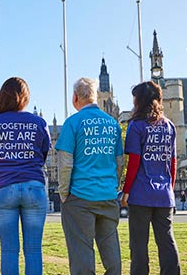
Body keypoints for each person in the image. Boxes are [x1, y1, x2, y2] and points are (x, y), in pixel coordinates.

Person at [0, 77, 51, 275]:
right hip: (34, 187)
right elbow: (43, 155)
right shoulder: (39, 122)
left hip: (3, 188)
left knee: (9, 250)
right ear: (26, 97)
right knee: (34, 250)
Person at [56, 77, 124, 275]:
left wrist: (63, 193)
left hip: (79, 197)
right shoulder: (112, 124)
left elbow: (66, 163)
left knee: (81, 254)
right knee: (112, 252)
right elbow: (119, 162)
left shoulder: (72, 123)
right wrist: (112, 186)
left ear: (75, 97)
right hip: (108, 196)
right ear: (96, 97)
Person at [121, 81, 180, 275]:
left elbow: (134, 163)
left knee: (139, 245)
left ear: (140, 101)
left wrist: (126, 191)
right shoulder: (169, 126)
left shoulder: (136, 126)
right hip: (164, 193)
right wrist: (170, 188)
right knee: (167, 242)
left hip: (140, 193)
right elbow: (172, 162)